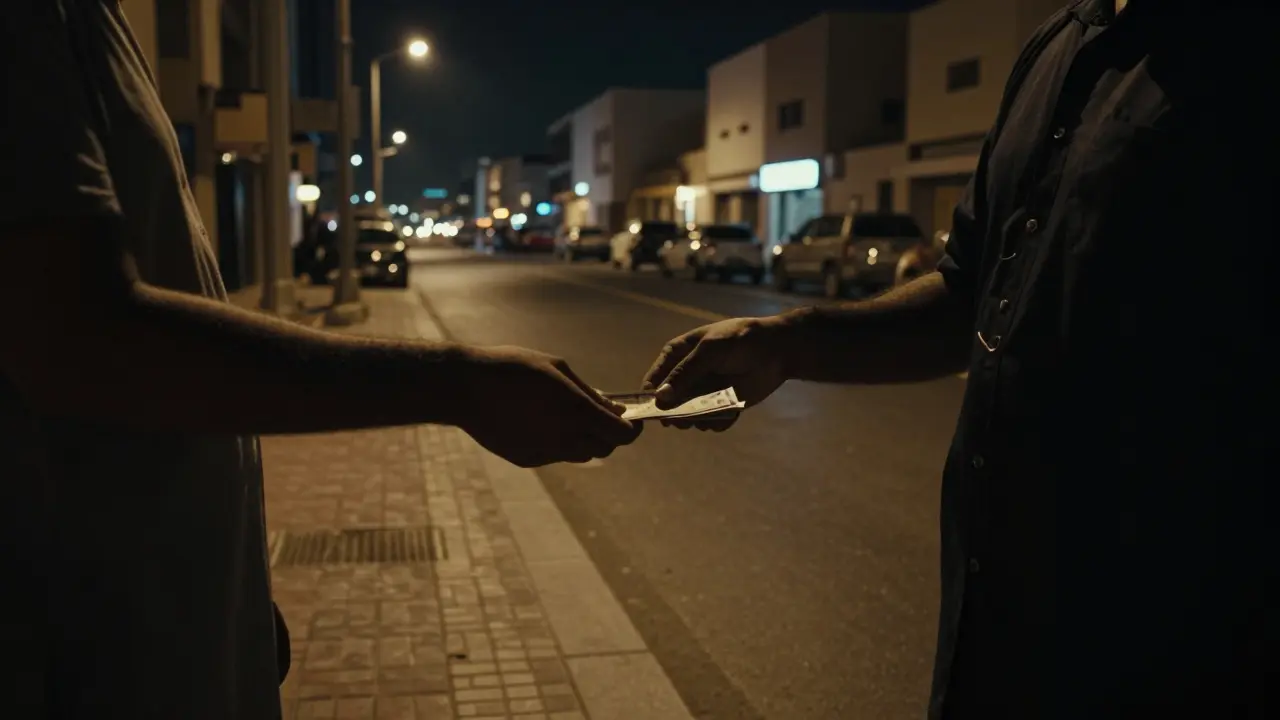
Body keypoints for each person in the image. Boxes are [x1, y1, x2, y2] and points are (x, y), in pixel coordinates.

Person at [0, 2, 638, 718]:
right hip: (85, 658)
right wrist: (460, 385)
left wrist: (234, 598)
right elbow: (75, 335)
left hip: (169, 632)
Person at [644, 1, 1272, 717]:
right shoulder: (1053, 50)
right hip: (993, 620)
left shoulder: (1247, 50)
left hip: (1164, 638)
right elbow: (971, 291)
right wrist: (788, 341)